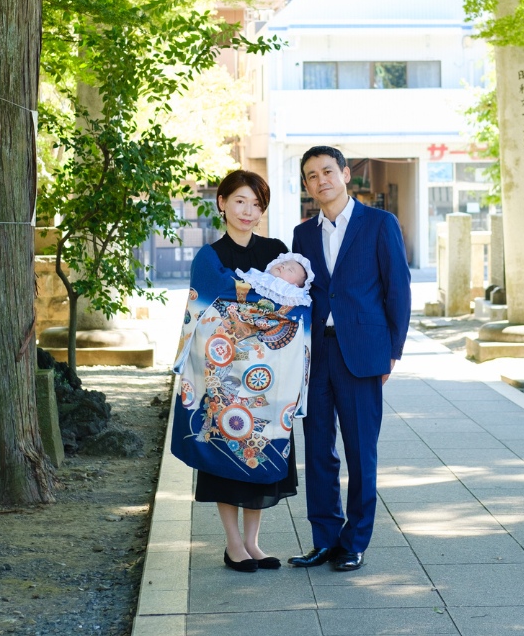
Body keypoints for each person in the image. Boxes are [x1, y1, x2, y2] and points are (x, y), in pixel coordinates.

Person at [170, 170, 309, 573]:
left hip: (267, 380)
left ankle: (253, 542)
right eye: (240, 201)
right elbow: (208, 308)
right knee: (226, 452)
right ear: (222, 203)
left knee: (260, 451)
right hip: (226, 378)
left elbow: (293, 303)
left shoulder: (277, 252)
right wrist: (255, 307)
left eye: (256, 204)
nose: (248, 211)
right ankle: (233, 545)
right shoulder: (209, 256)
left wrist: (250, 302)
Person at [288, 145, 411, 573]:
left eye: (327, 171)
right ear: (307, 186)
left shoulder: (380, 223)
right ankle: (324, 539)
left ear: (344, 174)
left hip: (363, 353)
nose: (320, 180)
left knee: (360, 451)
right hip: (316, 355)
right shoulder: (303, 234)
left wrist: (392, 353)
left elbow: (398, 289)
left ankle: (355, 541)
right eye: (311, 175)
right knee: (318, 450)